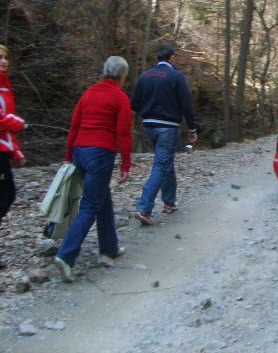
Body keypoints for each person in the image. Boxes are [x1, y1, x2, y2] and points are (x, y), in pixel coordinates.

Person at [54, 56, 132, 282]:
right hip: (100, 153)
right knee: (90, 205)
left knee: (101, 196)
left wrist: (69, 156)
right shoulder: (120, 97)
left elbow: (74, 126)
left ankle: (109, 247)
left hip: (80, 150)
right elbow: (123, 134)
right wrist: (126, 164)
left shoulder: (88, 93)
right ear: (122, 76)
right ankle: (66, 256)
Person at [132, 46, 197, 226]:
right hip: (168, 127)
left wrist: (146, 114)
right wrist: (192, 129)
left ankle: (169, 202)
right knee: (161, 165)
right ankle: (144, 208)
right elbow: (186, 104)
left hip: (149, 126)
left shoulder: (145, 76)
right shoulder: (176, 76)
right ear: (172, 58)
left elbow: (134, 103)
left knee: (165, 161)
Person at [0, 45, 26, 269]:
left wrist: (16, 150)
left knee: (8, 195)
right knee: (5, 195)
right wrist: (17, 123)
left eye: (6, 57)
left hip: (3, 149)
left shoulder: (6, 86)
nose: (4, 61)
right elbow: (5, 119)